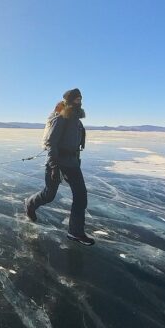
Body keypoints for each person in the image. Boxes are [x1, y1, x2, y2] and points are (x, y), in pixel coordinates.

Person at [24, 88, 95, 245]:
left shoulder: (77, 120)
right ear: (69, 101)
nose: (80, 102)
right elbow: (51, 143)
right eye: (77, 99)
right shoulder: (60, 117)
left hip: (73, 164)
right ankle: (30, 204)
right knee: (49, 195)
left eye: (81, 99)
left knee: (81, 196)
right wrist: (54, 166)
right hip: (58, 162)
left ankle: (75, 232)